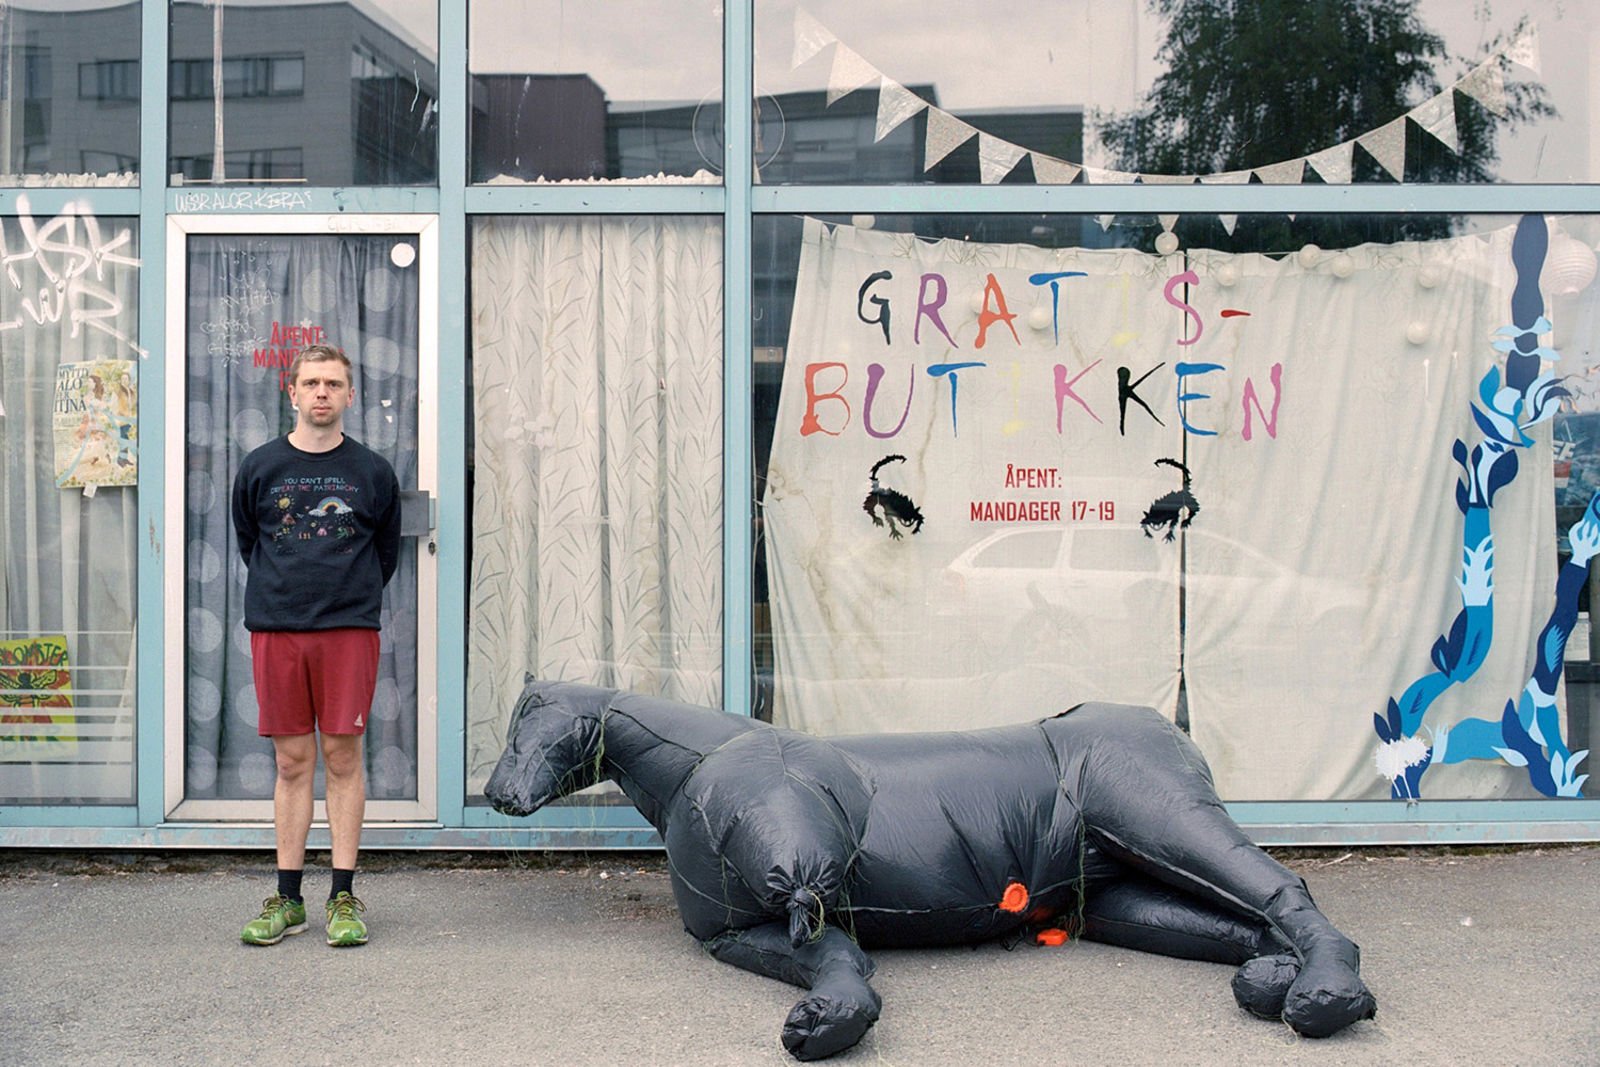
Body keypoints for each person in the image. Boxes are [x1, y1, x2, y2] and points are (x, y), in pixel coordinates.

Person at [231, 343, 400, 947]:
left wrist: (343, 598)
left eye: (333, 383)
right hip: (277, 629)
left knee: (344, 759)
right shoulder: (259, 467)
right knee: (291, 763)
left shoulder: (374, 472)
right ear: (293, 392)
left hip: (348, 630)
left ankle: (344, 896)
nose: (322, 392)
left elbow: (386, 553)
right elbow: (250, 539)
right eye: (311, 383)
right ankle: (288, 897)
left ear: (349, 395)